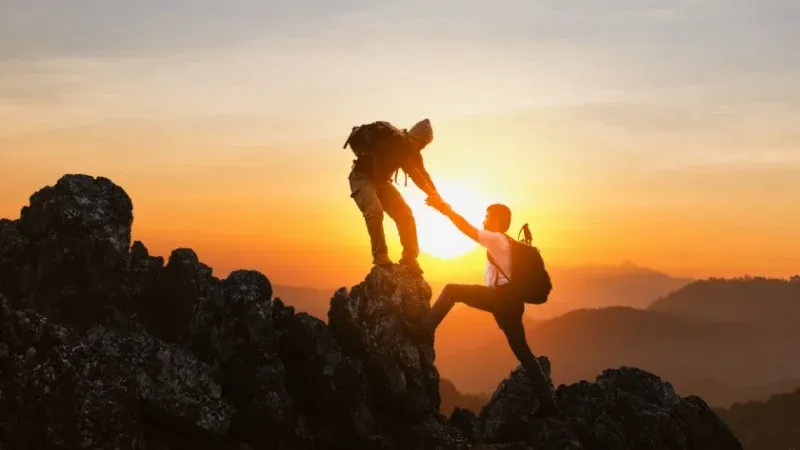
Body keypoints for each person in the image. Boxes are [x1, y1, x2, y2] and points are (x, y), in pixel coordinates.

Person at [406, 199, 562, 417]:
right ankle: (549, 405)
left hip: (501, 300)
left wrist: (444, 209)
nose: (484, 220)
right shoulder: (505, 242)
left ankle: (423, 330)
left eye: (487, 216)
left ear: (497, 220)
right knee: (524, 353)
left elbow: (467, 229)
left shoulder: (496, 238)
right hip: (511, 304)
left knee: (452, 290)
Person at [344, 118, 441, 275]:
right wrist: (433, 195)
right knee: (374, 211)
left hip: (382, 182)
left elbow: (423, 173)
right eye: (422, 144)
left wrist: (436, 195)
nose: (422, 148)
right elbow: (414, 174)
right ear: (414, 138)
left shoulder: (413, 152)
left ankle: (410, 258)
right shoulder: (398, 143)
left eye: (425, 145)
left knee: (405, 214)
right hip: (361, 178)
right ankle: (380, 256)